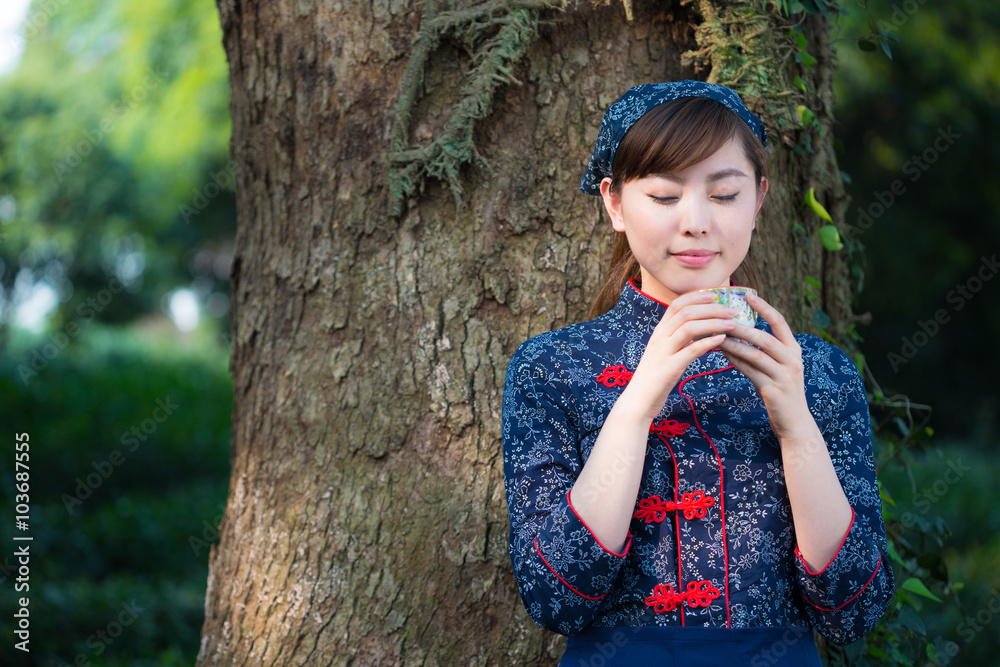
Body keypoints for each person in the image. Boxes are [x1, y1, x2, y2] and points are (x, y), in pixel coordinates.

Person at [501, 81, 894, 665]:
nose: (695, 222)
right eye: (663, 196)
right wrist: (636, 407)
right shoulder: (552, 368)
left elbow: (853, 612)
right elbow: (555, 598)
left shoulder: (820, 371)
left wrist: (795, 424)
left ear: (758, 199)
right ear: (614, 204)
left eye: (724, 194)